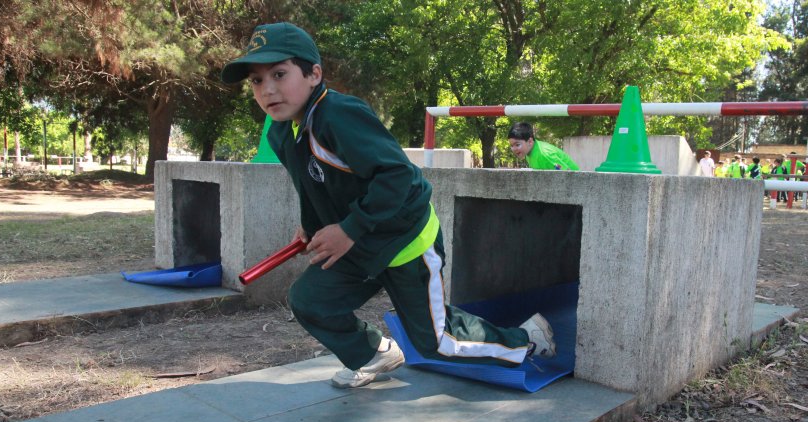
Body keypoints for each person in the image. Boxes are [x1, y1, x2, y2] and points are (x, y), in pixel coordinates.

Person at [220, 22, 556, 389]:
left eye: (279, 74)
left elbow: (397, 176)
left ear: (314, 74)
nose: (268, 89)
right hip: (360, 239)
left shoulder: (340, 115)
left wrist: (348, 228)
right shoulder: (282, 130)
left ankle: (527, 339)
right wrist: (313, 225)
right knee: (310, 299)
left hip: (403, 238)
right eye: (256, 81)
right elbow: (313, 184)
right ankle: (374, 353)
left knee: (435, 342)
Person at [507, 122, 579, 171]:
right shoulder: (528, 152)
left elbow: (567, 173)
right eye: (511, 145)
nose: (514, 149)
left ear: (530, 141)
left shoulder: (545, 155)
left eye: (517, 145)